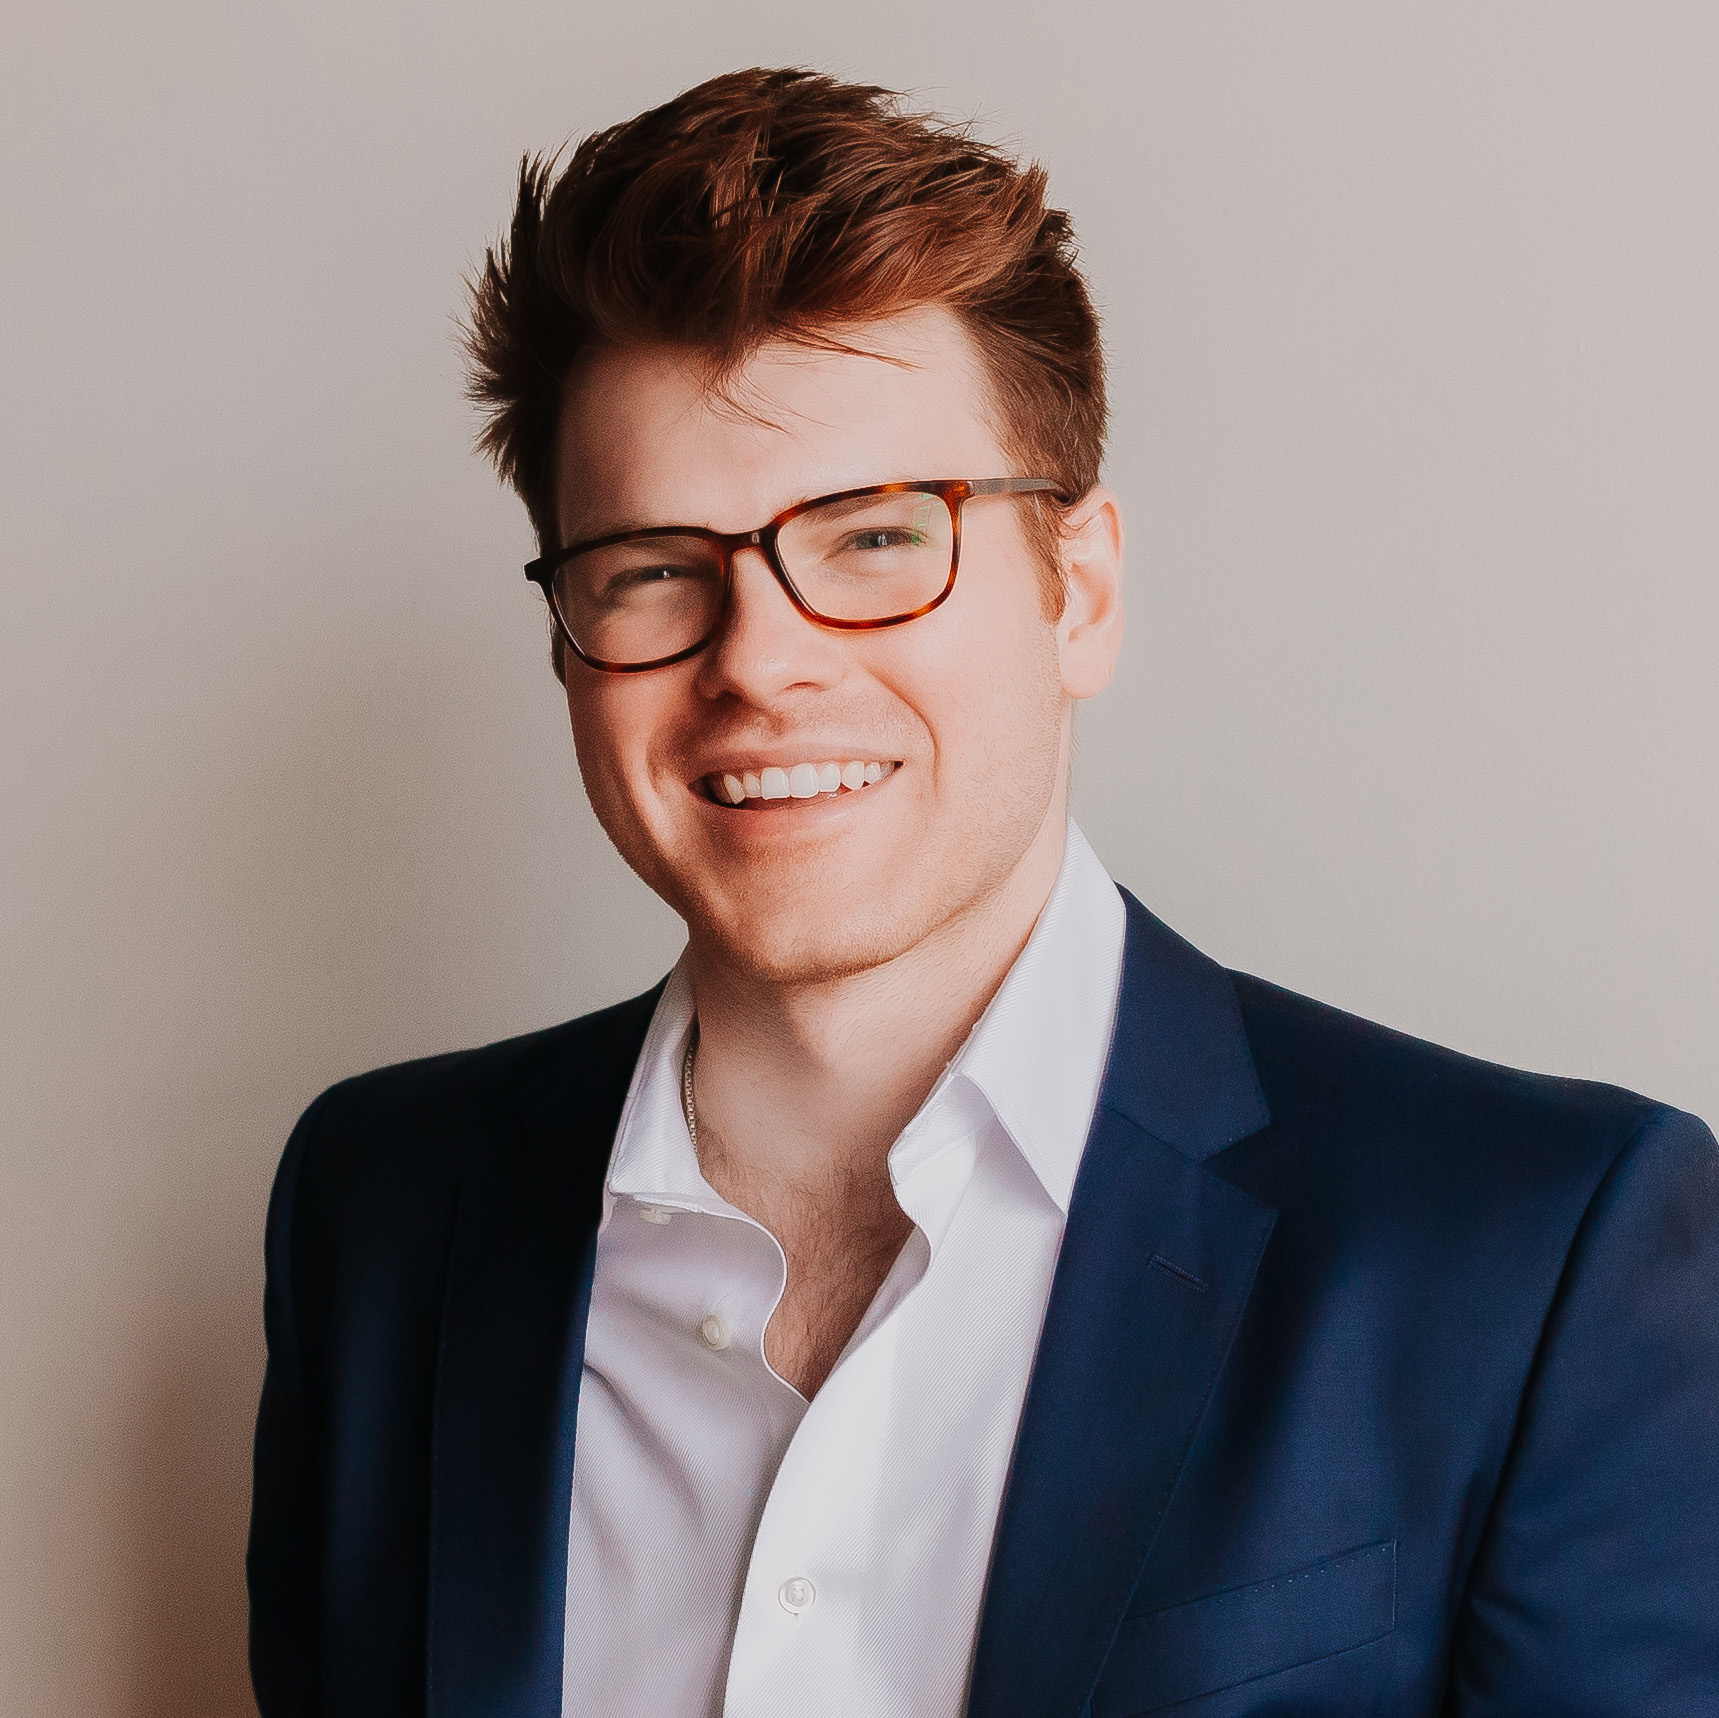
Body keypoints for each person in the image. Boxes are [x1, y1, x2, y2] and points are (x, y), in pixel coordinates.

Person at [246, 66, 1719, 1718]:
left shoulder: (1539, 1253)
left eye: (876, 538)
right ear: (568, 639)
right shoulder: (375, 1218)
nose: (763, 663)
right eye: (656, 568)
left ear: (1076, 592)